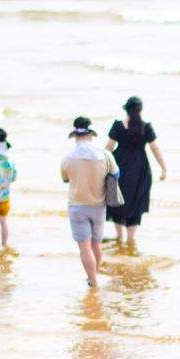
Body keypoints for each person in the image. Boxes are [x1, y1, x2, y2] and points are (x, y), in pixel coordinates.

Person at [60, 115, 118, 289]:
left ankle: (93, 281)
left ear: (75, 135)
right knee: (96, 245)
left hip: (77, 206)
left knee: (85, 248)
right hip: (99, 206)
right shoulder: (105, 155)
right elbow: (116, 174)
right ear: (91, 133)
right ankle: (93, 278)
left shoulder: (67, 158)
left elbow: (65, 179)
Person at [105, 95, 166, 247]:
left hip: (118, 166)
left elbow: (109, 147)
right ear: (140, 110)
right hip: (140, 169)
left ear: (126, 109)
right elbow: (155, 148)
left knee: (116, 199)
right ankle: (131, 239)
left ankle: (119, 236)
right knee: (136, 201)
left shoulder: (118, 126)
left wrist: (100, 166)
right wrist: (163, 168)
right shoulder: (146, 127)